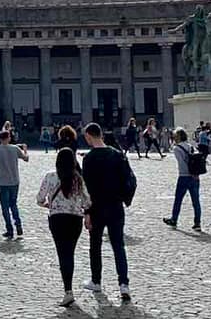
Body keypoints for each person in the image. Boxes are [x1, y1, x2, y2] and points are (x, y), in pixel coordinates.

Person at [80, 123, 133, 301]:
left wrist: (86, 212)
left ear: (89, 136)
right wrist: (125, 199)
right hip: (115, 206)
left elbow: (86, 188)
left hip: (96, 207)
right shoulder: (117, 155)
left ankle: (96, 281)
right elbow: (129, 180)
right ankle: (124, 284)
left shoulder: (89, 159)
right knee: (118, 246)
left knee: (95, 245)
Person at [37, 148, 92, 308]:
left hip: (57, 219)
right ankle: (69, 289)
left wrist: (48, 204)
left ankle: (68, 291)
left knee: (62, 253)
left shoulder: (50, 176)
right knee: (70, 253)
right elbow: (87, 202)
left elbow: (39, 198)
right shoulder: (78, 179)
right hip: (74, 220)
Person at [0, 130, 29, 239]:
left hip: (2, 182)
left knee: (5, 207)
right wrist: (25, 149)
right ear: (9, 138)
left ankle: (9, 229)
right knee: (13, 204)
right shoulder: (15, 148)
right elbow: (26, 158)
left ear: (0, 138)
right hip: (14, 181)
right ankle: (18, 225)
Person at [164, 128, 202, 231]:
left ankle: (174, 219)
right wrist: (195, 173)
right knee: (196, 201)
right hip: (195, 177)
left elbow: (182, 163)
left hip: (184, 176)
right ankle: (197, 223)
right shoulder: (191, 146)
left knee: (178, 199)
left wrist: (188, 173)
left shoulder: (177, 148)